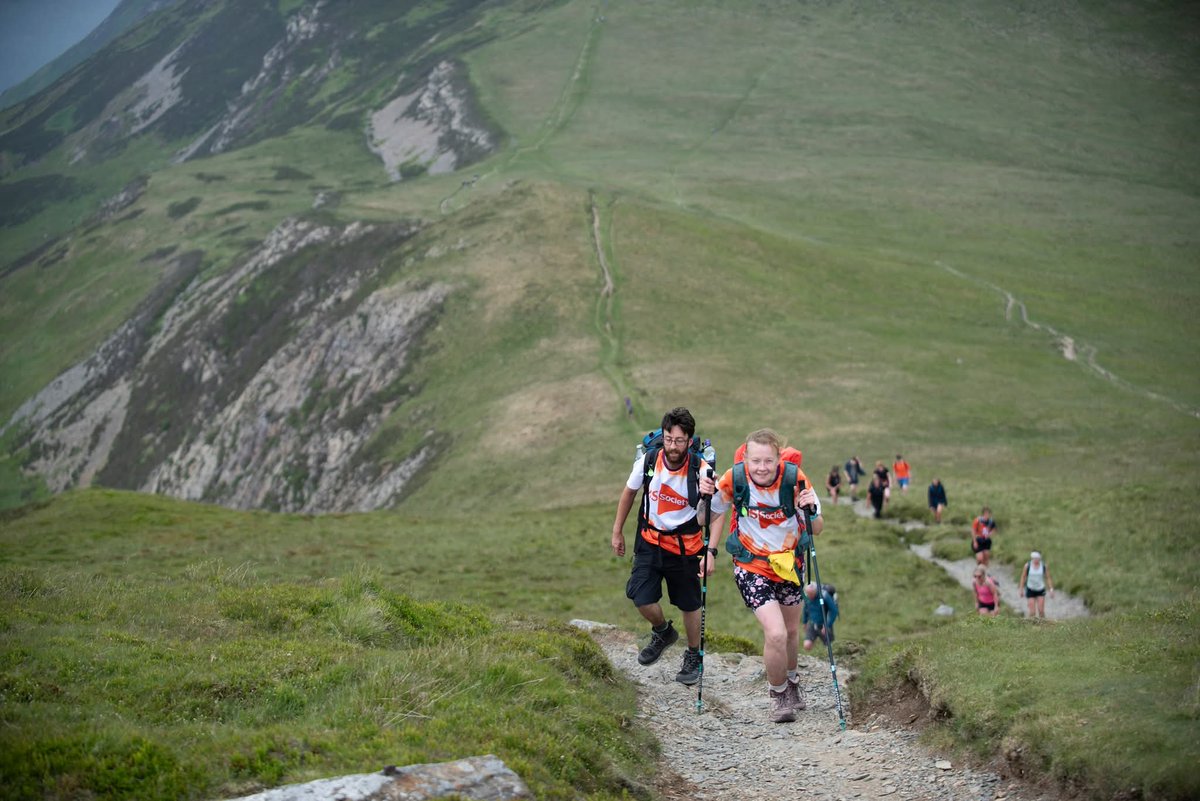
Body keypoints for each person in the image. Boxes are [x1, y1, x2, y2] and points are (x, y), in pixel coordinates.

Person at [705, 428, 823, 724]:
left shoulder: (796, 479)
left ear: (777, 458)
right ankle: (779, 694)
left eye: (768, 461)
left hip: (788, 565)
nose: (761, 467)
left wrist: (808, 509)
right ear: (745, 459)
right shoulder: (734, 479)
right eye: (755, 461)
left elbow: (817, 527)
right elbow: (703, 519)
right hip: (751, 565)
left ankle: (793, 682)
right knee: (776, 633)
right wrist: (705, 498)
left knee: (792, 632)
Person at [611, 407, 716, 685]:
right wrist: (617, 531)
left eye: (679, 440)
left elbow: (709, 517)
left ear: (689, 441)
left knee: (690, 604)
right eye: (669, 438)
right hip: (650, 541)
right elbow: (629, 493)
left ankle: (694, 655)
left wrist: (707, 497)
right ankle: (662, 631)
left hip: (685, 547)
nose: (672, 446)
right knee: (640, 597)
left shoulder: (701, 470)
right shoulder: (648, 460)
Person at [802, 583, 838, 652]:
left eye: (811, 594)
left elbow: (834, 611)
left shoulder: (824, 596)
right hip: (812, 624)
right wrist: (805, 622)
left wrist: (827, 624)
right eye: (808, 594)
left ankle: (826, 658)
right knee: (806, 645)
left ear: (816, 591)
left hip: (824, 625)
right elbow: (805, 609)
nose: (809, 596)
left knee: (830, 648)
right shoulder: (807, 597)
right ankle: (812, 658)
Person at [1019, 551, 1055, 619]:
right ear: (1032, 558)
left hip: (1040, 589)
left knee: (1041, 611)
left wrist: (1051, 589)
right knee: (1032, 612)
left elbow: (1048, 577)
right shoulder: (1027, 566)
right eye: (1034, 558)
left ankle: (1043, 626)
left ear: (1039, 558)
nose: (1036, 560)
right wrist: (1021, 589)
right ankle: (1031, 627)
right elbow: (1023, 577)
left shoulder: (1044, 566)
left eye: (1037, 558)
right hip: (1030, 589)